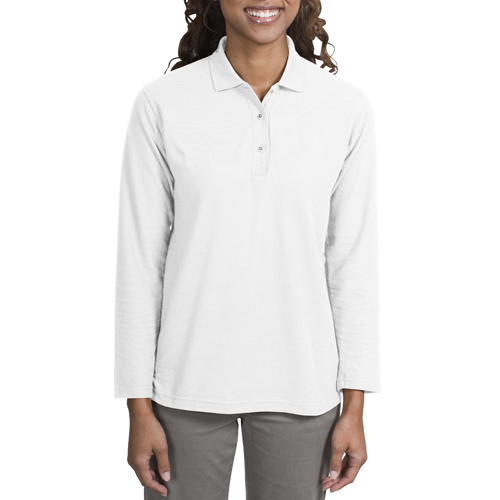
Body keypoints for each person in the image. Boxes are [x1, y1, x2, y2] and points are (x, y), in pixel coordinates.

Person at [114, 0, 382, 498]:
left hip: (303, 386)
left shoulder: (344, 109)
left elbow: (352, 264)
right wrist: (138, 407)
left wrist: (355, 406)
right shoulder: (162, 103)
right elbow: (140, 262)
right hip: (184, 384)